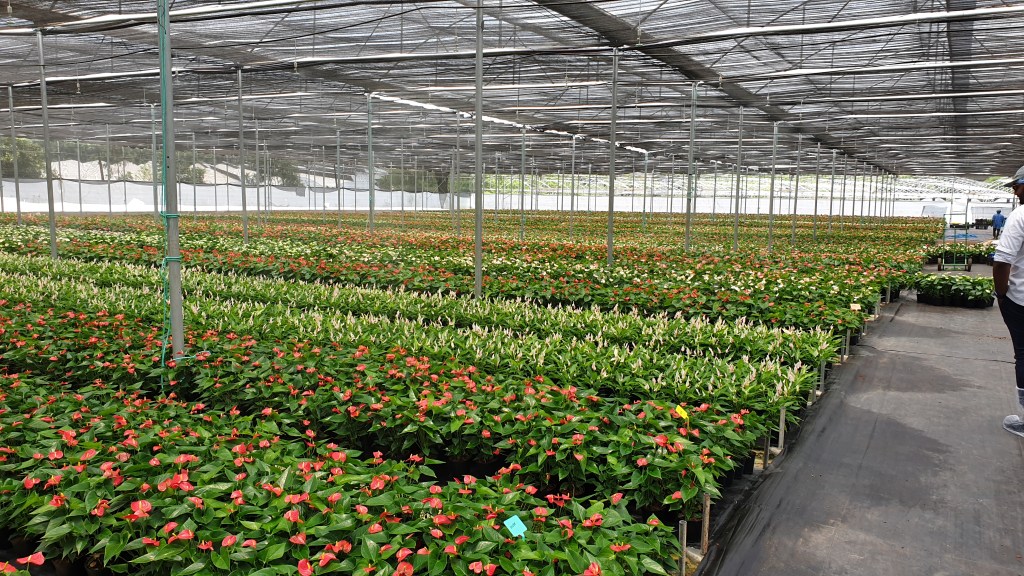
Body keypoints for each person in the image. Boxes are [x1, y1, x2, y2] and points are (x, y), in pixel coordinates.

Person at [993, 164, 1024, 438]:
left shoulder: (1021, 215)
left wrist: (1001, 296)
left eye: (1017, 185)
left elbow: (1002, 261)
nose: (1014, 191)